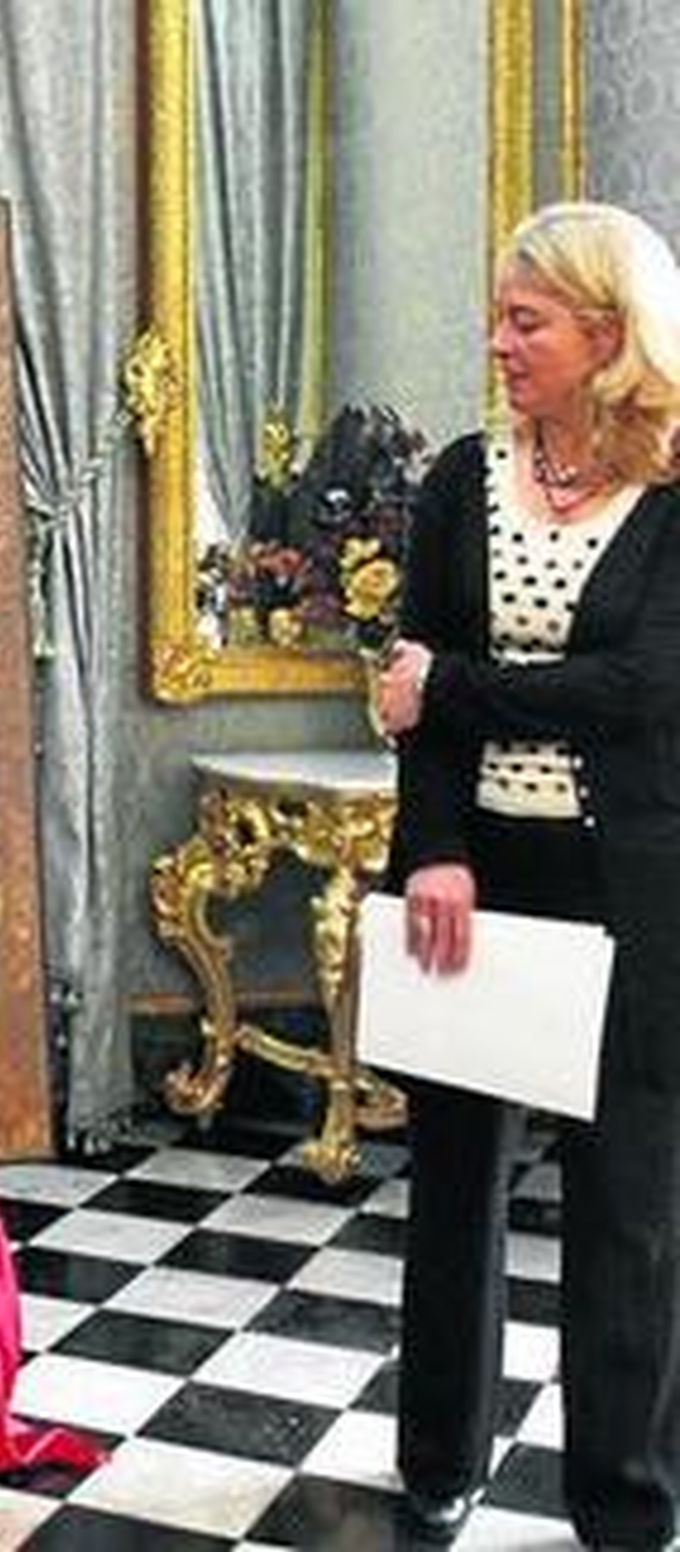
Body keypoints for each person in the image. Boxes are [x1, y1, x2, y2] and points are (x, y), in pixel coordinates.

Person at [378, 200, 680, 1548]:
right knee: (453, 1184)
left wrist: (452, 685)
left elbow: (645, 689)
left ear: (607, 336)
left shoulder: (675, 492)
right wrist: (438, 851)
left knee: (631, 1204)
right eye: (499, 319)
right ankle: (439, 1461)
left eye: (527, 321)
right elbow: (413, 688)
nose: (499, 343)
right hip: (477, 878)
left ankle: (625, 1502)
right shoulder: (462, 480)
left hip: (638, 892)